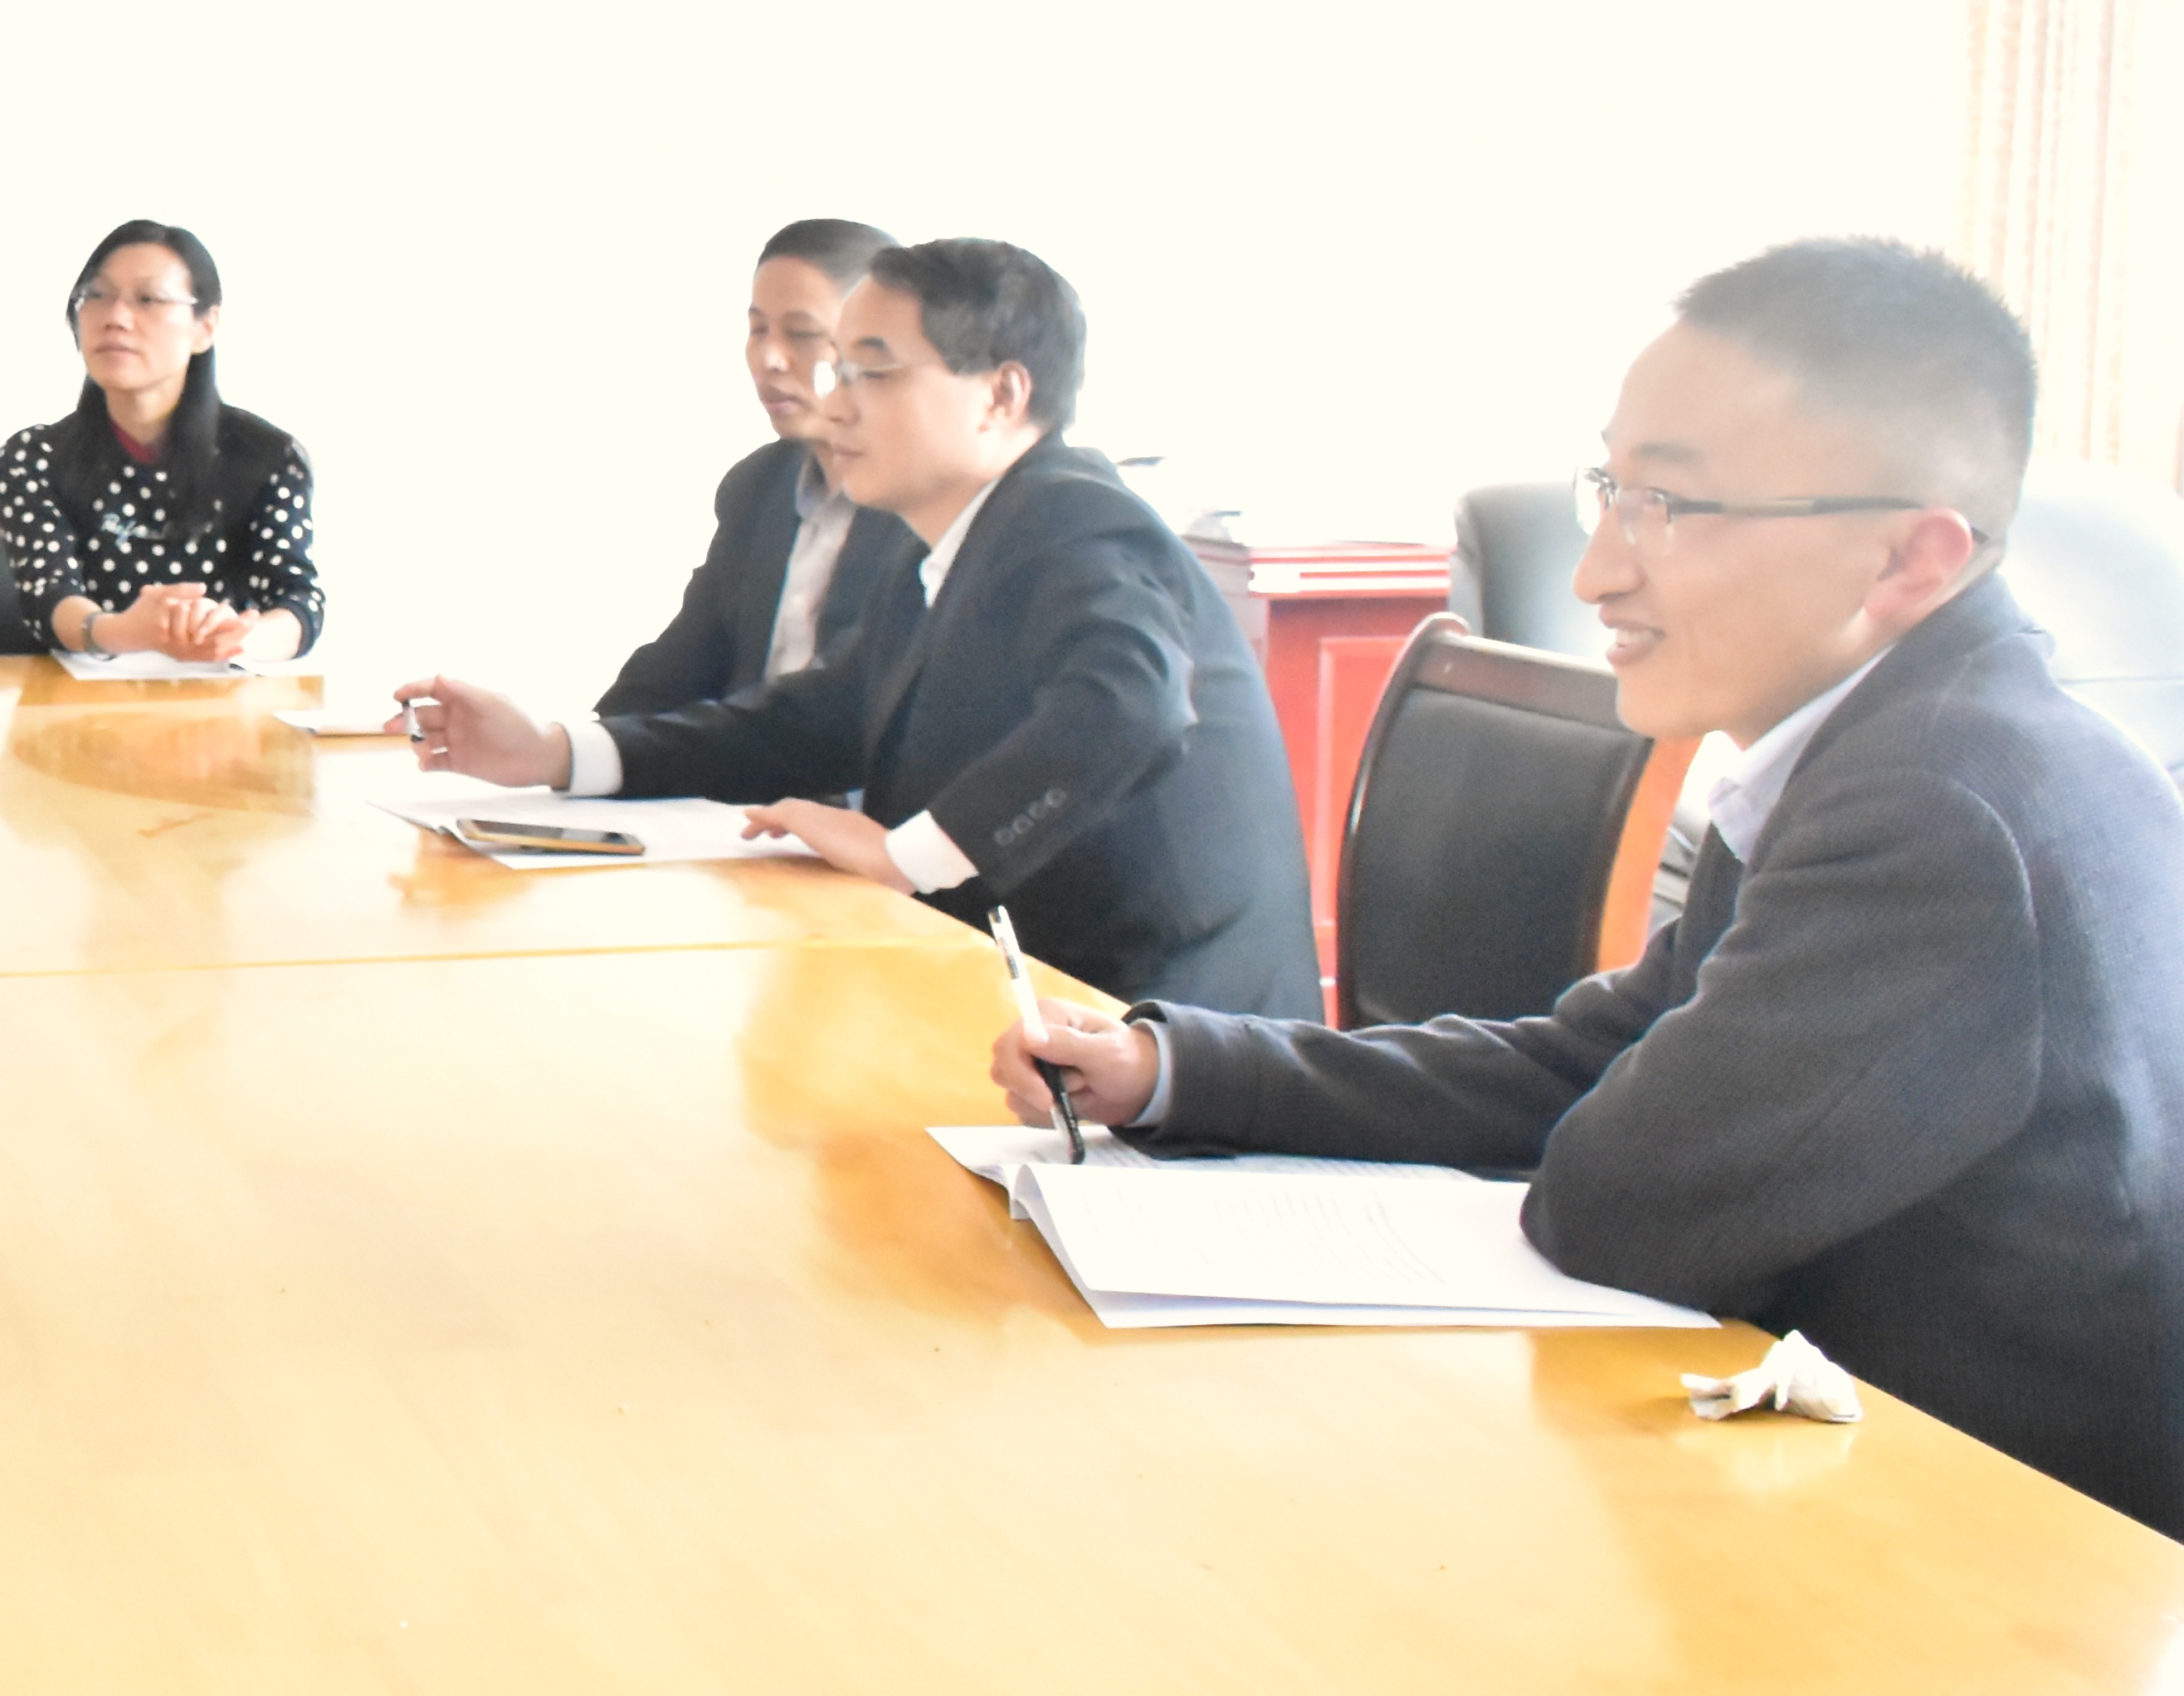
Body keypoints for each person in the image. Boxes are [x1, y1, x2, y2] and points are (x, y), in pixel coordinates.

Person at [993, 239, 2184, 1535]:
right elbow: (1591, 1061)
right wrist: (1179, 1070)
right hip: (1849, 1467)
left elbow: (1621, 1206)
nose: (1595, 572)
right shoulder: (1878, 744)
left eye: (1670, 506)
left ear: (1907, 561)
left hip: (2005, 1543)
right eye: (1611, 490)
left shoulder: (1941, 814)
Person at [397, 237, 1313, 1013]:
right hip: (1013, 1001)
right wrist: (555, 752)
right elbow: (807, 722)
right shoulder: (945, 547)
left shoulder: (1074, 519)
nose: (835, 405)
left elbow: (1130, 707)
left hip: (1158, 1038)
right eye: (839, 370)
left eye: (872, 371)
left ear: (1001, 396)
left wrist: (906, 855)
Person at [597, 218, 927, 713]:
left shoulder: (928, 504)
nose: (769, 358)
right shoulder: (757, 486)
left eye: (802, 334)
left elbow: (846, 705)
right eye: (757, 330)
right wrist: (561, 746)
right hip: (740, 754)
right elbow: (675, 670)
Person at [0, 221, 321, 663]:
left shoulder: (270, 459)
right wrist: (125, 632)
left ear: (205, 326)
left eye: (148, 299)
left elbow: (297, 601)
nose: (116, 317)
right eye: (97, 295)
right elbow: (47, 595)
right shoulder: (33, 459)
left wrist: (236, 637)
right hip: (80, 702)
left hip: (226, 695)